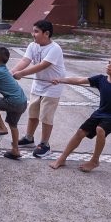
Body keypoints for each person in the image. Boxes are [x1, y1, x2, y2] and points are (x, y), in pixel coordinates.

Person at [13, 20, 66, 158]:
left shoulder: (55, 48)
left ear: (46, 34)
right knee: (33, 113)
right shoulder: (32, 45)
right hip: (38, 84)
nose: (33, 34)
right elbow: (25, 61)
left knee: (46, 116)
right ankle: (29, 138)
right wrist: (11, 72)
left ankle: (45, 144)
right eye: (33, 31)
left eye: (36, 31)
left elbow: (43, 65)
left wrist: (22, 74)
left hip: (53, 86)